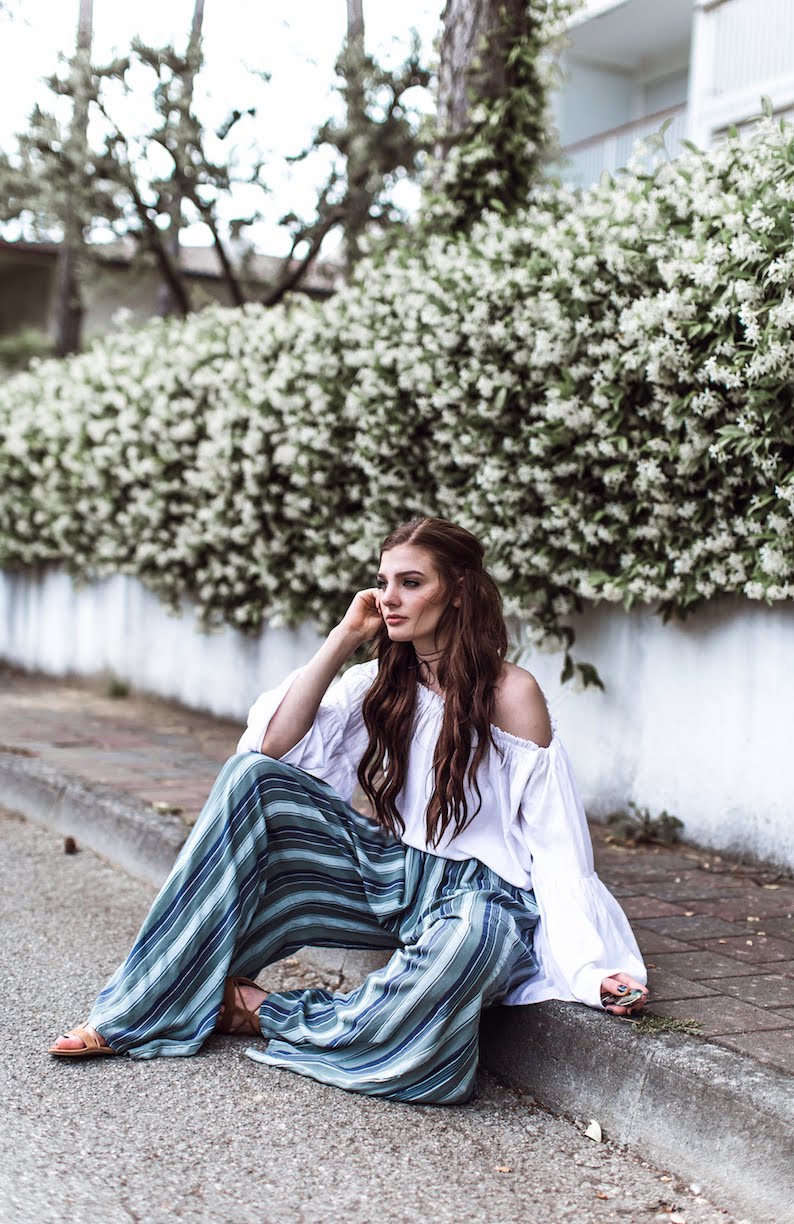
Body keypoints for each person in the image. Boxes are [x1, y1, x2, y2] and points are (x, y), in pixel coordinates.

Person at [50, 517, 647, 1103]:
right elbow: (272, 747)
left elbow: (559, 846)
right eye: (383, 582)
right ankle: (132, 1009)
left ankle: (263, 1013)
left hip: (484, 896)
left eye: (411, 582)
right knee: (251, 779)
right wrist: (343, 637)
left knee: (473, 940)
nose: (390, 598)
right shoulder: (384, 680)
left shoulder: (512, 693)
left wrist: (588, 970)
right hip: (397, 876)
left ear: (459, 590)